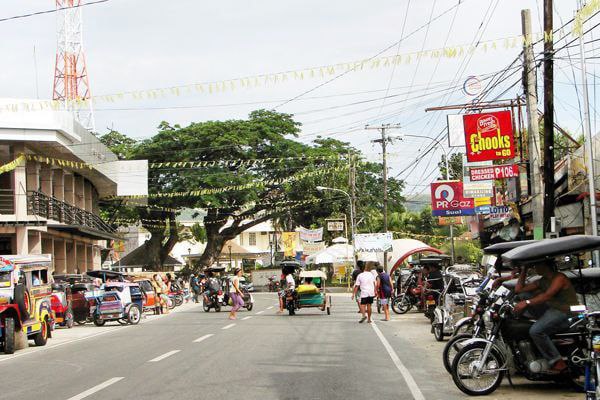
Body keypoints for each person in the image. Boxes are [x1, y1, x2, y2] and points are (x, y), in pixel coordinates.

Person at [514, 261, 578, 372]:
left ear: (545, 266)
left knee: (536, 331)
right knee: (523, 295)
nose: (535, 268)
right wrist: (524, 269)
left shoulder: (559, 278)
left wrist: (527, 302)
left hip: (565, 312)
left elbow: (546, 296)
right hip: (552, 310)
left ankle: (557, 361)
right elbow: (518, 290)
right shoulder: (542, 281)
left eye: (537, 265)